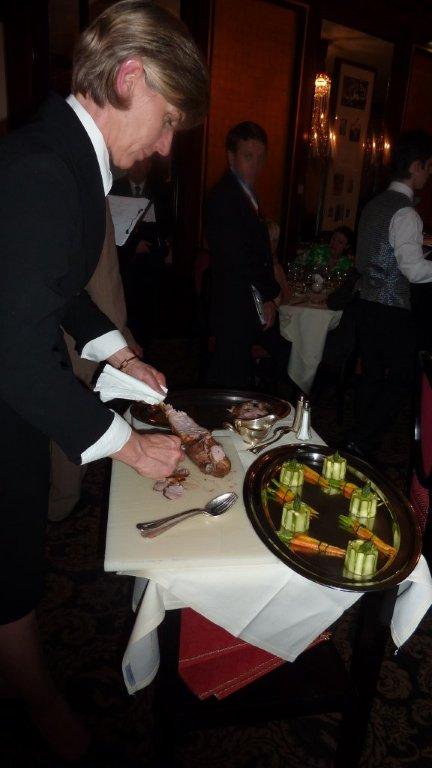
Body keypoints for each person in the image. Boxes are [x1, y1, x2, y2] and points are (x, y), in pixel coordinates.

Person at [0, 1, 208, 763]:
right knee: (8, 568)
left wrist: (118, 354)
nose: (166, 144)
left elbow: (57, 290)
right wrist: (127, 444)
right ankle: (40, 704)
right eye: (168, 118)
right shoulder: (46, 167)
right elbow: (16, 353)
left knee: (14, 559)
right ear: (129, 77)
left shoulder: (65, 153)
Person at [48, 202, 141, 522]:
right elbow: (105, 283)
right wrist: (122, 344)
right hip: (76, 333)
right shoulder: (88, 197)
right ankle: (63, 500)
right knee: (73, 408)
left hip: (49, 324)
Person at [344, 130, 432, 458]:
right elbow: (414, 269)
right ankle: (361, 439)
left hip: (365, 304)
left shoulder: (373, 205)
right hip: (392, 309)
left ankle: (361, 445)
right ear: (416, 166)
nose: (429, 175)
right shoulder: (406, 213)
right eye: (428, 167)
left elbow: (368, 257)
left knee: (372, 377)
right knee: (402, 380)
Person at [205, 121, 291, 392]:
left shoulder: (242, 192)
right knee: (232, 378)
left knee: (237, 373)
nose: (256, 165)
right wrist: (269, 295)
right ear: (231, 157)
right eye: (248, 156)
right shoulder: (225, 196)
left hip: (240, 300)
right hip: (234, 302)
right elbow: (239, 256)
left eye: (260, 157)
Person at [111, 155, 173, 346]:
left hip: (151, 263)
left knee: (149, 312)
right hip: (123, 264)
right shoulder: (115, 188)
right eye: (134, 161)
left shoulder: (161, 190)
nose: (138, 166)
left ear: (149, 165)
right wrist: (133, 245)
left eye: (143, 162)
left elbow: (167, 223)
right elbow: (111, 225)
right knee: (125, 310)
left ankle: (147, 348)